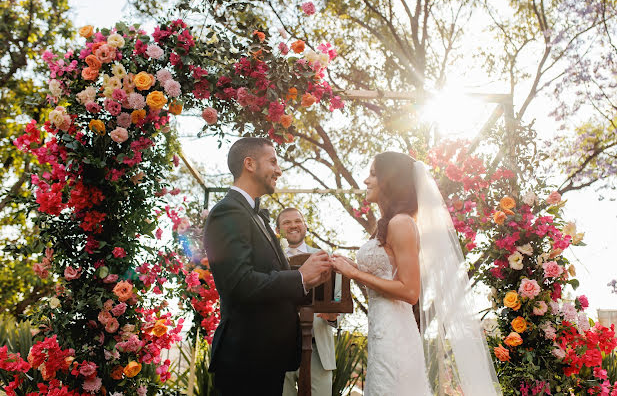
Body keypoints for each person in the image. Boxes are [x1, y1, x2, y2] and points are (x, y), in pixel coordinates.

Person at [331, 152, 501, 395]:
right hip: (382, 331)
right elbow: (388, 273)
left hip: (396, 335)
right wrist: (353, 267)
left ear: (391, 181)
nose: (366, 181)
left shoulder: (401, 223)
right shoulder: (387, 223)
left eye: (373, 174)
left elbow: (410, 291)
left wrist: (355, 274)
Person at [203, 138, 333, 395]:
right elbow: (239, 283)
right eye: (273, 161)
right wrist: (299, 278)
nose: (279, 170)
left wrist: (309, 280)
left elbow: (268, 278)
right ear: (249, 164)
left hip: (267, 360)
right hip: (246, 361)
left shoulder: (255, 215)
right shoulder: (228, 212)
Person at [276, 208, 338, 396]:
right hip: (277, 348)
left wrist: (333, 317)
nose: (293, 225)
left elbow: (337, 298)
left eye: (297, 221)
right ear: (278, 229)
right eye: (286, 222)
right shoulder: (270, 259)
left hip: (317, 347)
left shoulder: (325, 256)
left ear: (305, 225)